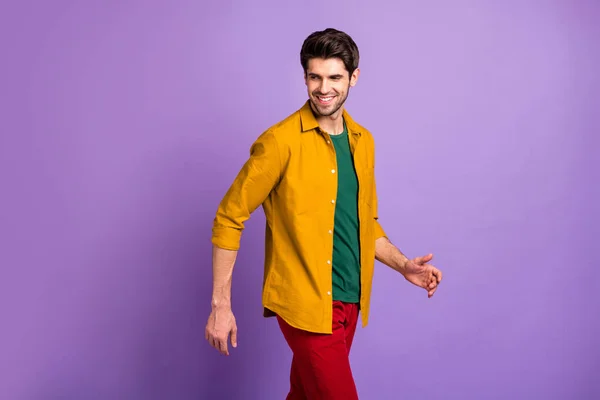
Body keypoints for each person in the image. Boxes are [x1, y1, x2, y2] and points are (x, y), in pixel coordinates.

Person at [205, 28, 443, 399]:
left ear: (353, 77)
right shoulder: (280, 142)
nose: (323, 88)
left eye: (334, 77)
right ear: (305, 78)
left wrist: (403, 265)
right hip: (305, 307)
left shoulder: (363, 142)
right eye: (314, 76)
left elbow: (365, 223)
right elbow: (228, 217)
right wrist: (221, 306)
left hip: (350, 301)